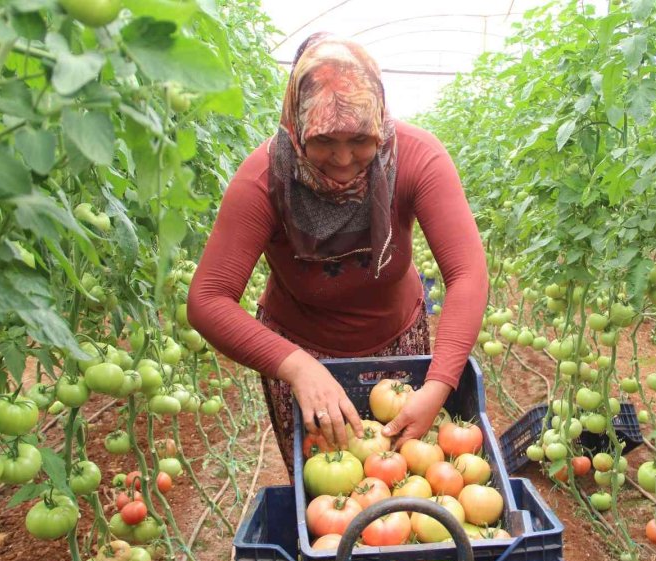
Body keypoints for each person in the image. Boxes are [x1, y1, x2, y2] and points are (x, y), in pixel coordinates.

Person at [187, 32, 488, 480]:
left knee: (404, 486)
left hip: (398, 344)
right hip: (299, 348)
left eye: (361, 140)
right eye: (325, 140)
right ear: (297, 124)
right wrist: (296, 365)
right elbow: (208, 298)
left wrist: (440, 382)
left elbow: (467, 272)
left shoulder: (416, 158)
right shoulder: (264, 180)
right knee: (330, 488)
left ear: (380, 123)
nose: (344, 158)